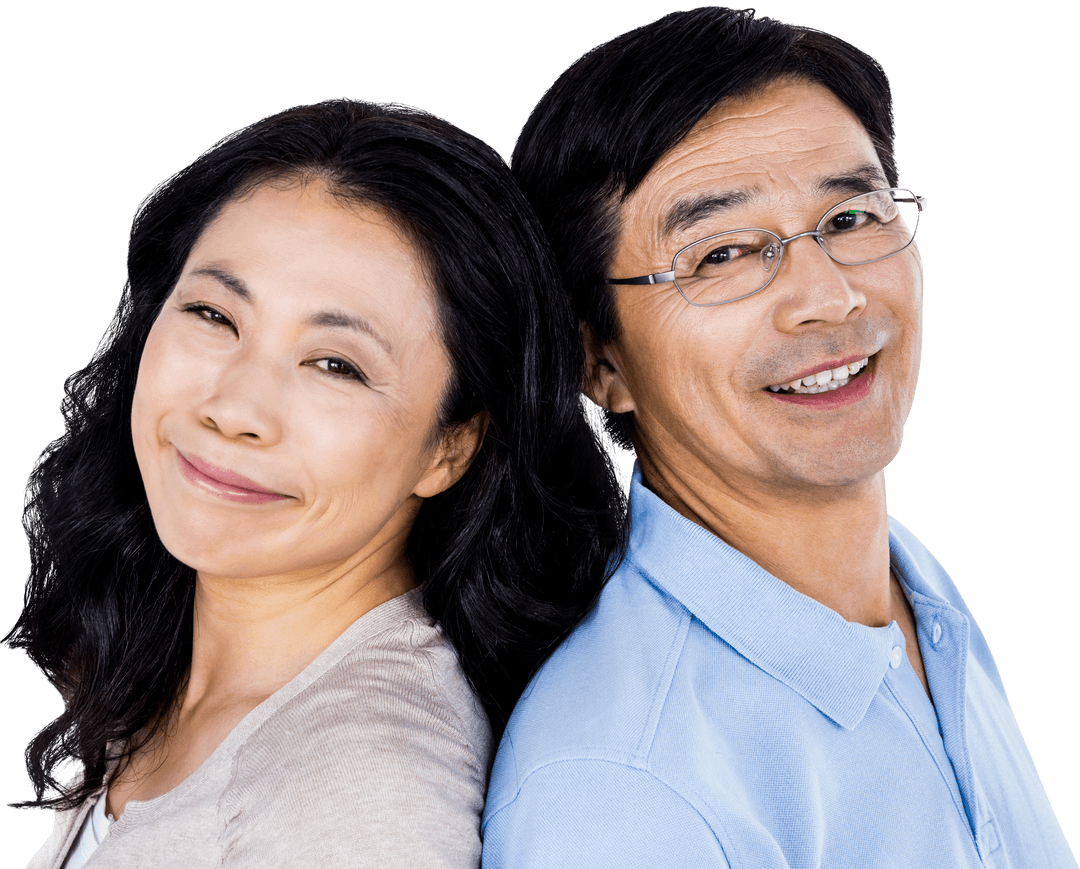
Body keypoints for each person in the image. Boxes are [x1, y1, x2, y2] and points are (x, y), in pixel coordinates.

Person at [481, 8, 1077, 868]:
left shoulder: (917, 594)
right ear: (596, 361)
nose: (829, 299)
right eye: (722, 254)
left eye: (851, 219)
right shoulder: (623, 796)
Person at [4, 98, 627, 868]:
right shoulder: (173, 662)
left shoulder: (358, 799)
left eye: (337, 364)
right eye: (212, 313)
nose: (234, 408)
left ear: (452, 446)